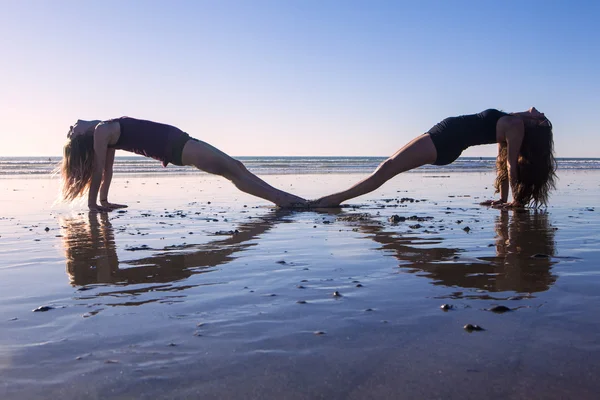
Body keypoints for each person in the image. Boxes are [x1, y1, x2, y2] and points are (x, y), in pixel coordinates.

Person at [312, 107, 557, 208]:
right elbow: (501, 161)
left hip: (444, 142)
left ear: (536, 124)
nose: (539, 110)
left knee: (387, 168)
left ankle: (334, 200)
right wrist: (502, 199)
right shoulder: (511, 118)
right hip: (441, 136)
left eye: (542, 116)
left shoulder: (515, 125)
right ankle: (334, 199)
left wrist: (513, 201)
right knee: (387, 166)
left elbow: (509, 163)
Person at [58, 117, 307, 211]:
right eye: (71, 131)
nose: (71, 126)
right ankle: (282, 200)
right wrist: (93, 204)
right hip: (178, 148)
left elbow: (109, 171)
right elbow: (100, 170)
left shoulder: (104, 128)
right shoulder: (100, 132)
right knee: (232, 171)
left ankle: (282, 198)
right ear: (80, 137)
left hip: (179, 143)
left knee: (236, 167)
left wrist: (103, 200)